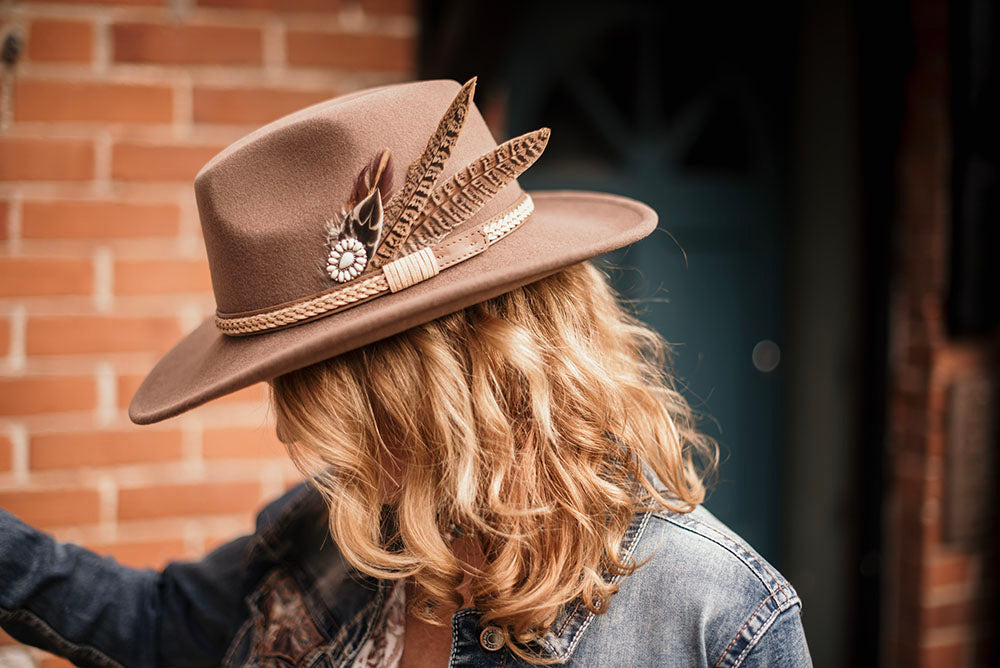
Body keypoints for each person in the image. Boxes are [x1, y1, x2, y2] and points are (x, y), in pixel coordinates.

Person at [0, 78, 811, 667]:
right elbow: (159, 623)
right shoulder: (338, 529)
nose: (330, 461)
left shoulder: (714, 619)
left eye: (349, 415)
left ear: (453, 386)